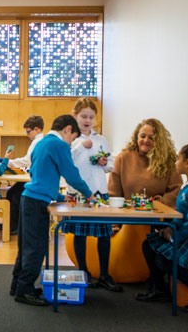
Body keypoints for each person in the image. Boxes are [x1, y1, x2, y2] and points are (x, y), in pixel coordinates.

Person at [11, 115, 94, 306]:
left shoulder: (41, 143)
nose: (71, 141)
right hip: (37, 202)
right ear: (67, 129)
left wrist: (58, 196)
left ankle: (18, 286)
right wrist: (89, 194)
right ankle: (24, 291)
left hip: (28, 198)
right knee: (37, 248)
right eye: (72, 137)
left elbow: (38, 174)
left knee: (25, 246)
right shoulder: (59, 145)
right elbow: (71, 174)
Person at [61, 98, 122, 292]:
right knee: (80, 234)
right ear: (75, 117)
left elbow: (111, 165)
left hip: (99, 192)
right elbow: (67, 162)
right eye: (83, 116)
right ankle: (83, 272)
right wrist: (80, 146)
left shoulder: (101, 140)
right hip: (79, 193)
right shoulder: (71, 140)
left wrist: (105, 162)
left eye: (91, 117)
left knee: (104, 234)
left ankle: (104, 274)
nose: (87, 120)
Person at [135, 140, 188, 313]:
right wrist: (168, 228)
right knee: (148, 246)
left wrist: (173, 235)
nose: (176, 163)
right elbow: (181, 217)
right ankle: (160, 290)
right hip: (182, 232)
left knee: (164, 259)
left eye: (178, 159)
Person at [108, 118, 182, 208]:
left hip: (158, 215)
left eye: (151, 138)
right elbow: (114, 194)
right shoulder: (122, 159)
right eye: (142, 136)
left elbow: (176, 191)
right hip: (127, 215)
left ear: (159, 141)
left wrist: (155, 204)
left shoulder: (168, 161)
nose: (146, 140)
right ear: (136, 137)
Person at [6, 115, 45, 234]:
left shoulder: (38, 142)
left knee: (14, 194)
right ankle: (12, 225)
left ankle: (15, 226)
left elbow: (28, 160)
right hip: (36, 176)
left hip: (37, 180)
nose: (27, 135)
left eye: (29, 132)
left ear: (37, 129)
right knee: (12, 192)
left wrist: (10, 162)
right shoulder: (37, 141)